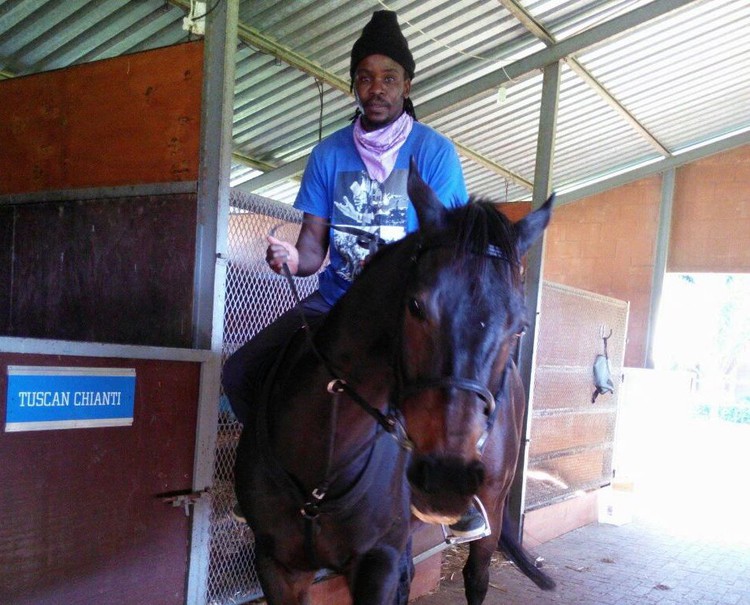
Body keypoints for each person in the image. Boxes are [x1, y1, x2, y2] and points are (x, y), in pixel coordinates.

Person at [222, 10, 488, 545]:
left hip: (411, 315)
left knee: (447, 393)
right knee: (241, 374)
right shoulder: (328, 154)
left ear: (407, 84)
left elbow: (451, 250)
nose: (376, 88)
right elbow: (313, 248)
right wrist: (291, 262)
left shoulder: (434, 154)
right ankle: (270, 483)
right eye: (365, 77)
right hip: (336, 304)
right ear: (354, 85)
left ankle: (450, 495)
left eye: (388, 77)